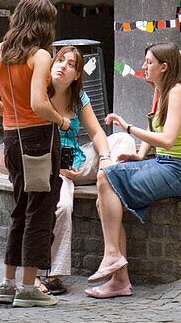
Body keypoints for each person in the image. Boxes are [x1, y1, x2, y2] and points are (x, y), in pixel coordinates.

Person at [88, 42, 181, 299]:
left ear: (164, 67)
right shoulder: (161, 90)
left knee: (105, 176)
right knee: (104, 197)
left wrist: (127, 128)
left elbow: (168, 139)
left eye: (149, 62)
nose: (143, 67)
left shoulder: (178, 92)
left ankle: (112, 257)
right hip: (166, 164)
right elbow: (155, 132)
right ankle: (119, 277)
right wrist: (138, 155)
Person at [0, 0, 69, 308]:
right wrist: (61, 120)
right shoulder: (41, 55)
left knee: (20, 207)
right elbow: (38, 103)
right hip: (39, 140)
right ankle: (29, 288)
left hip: (11, 140)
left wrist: (10, 115)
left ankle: (8, 283)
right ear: (44, 24)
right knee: (40, 211)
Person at [44, 45, 136, 293]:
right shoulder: (39, 94)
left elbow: (97, 132)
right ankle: (53, 275)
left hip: (77, 162)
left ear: (76, 74)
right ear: (52, 64)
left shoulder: (78, 96)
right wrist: (58, 171)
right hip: (50, 167)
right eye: (60, 60)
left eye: (71, 64)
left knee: (123, 140)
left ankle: (110, 184)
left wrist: (105, 158)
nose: (63, 66)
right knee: (62, 206)